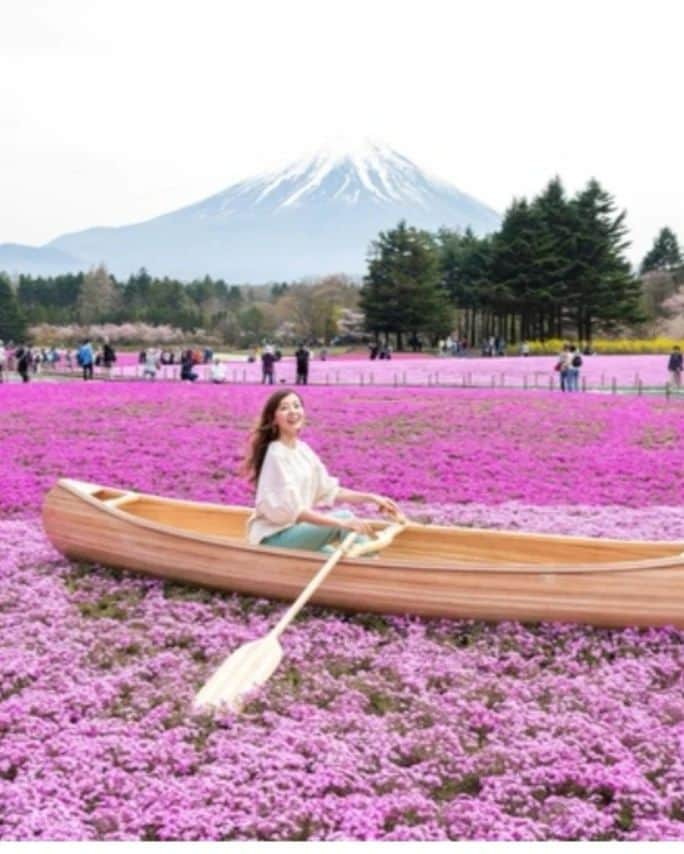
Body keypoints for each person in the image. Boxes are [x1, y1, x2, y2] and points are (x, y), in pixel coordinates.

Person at [244, 389, 401, 552]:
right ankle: (372, 569)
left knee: (335, 558)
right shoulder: (276, 453)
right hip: (274, 538)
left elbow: (330, 490)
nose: (293, 412)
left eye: (296, 406)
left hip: (298, 533)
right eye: (284, 408)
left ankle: (368, 569)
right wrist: (341, 524)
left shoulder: (303, 450)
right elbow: (295, 512)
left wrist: (372, 498)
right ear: (273, 419)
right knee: (345, 517)